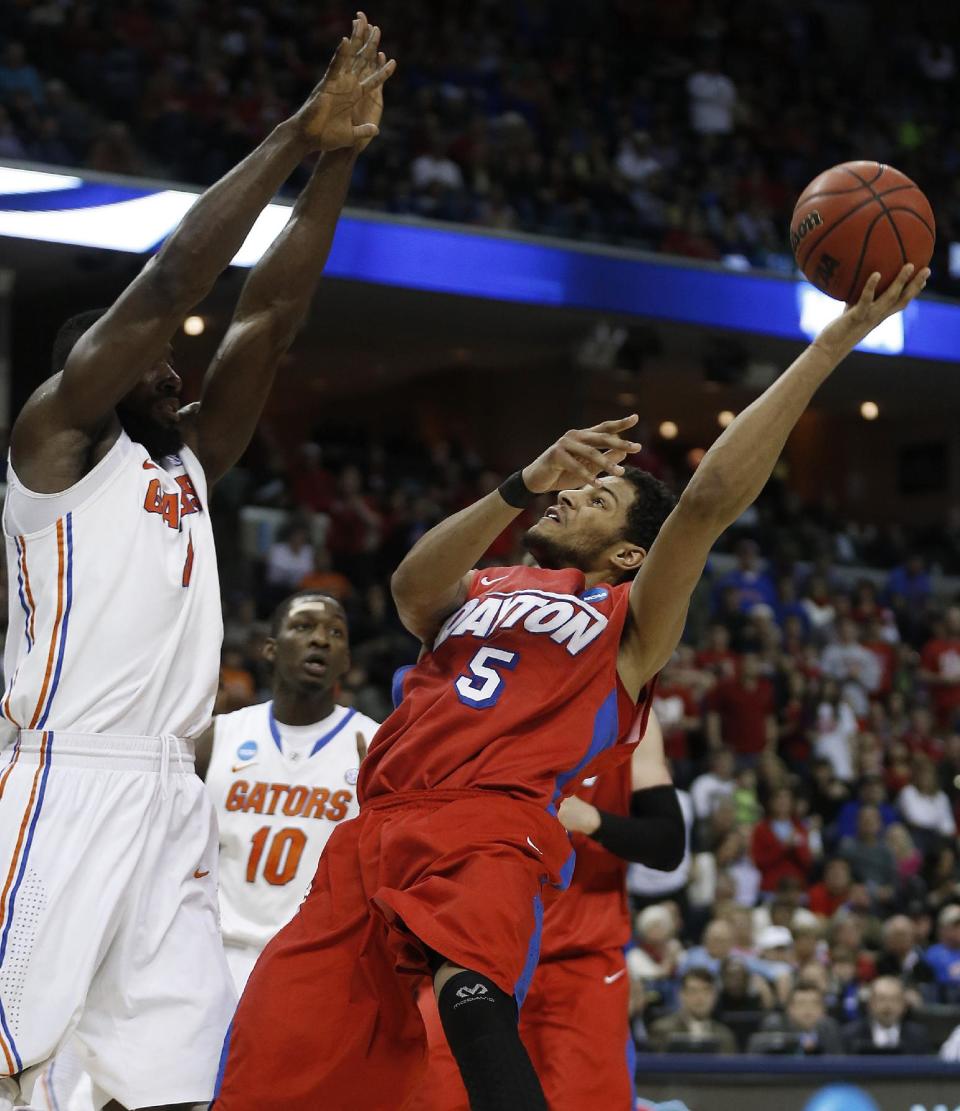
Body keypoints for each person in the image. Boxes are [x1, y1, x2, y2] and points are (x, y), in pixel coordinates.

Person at [213, 264, 927, 1110]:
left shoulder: (629, 620)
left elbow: (704, 504)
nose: (576, 493)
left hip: (490, 821)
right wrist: (523, 484)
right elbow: (411, 588)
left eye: (598, 497)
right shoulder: (485, 582)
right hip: (369, 832)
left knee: (471, 1002)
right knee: (273, 1061)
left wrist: (832, 343)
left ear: (628, 552)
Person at [0, 15, 394, 1111]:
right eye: (153, 364)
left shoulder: (187, 467)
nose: (176, 372)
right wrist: (290, 136)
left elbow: (269, 316)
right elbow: (173, 283)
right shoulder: (56, 443)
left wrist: (339, 165)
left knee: (173, 1083)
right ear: (97, 366)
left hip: (173, 797)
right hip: (57, 779)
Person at [411, 712, 687, 1111]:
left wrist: (589, 819)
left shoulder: (630, 718)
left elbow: (668, 844)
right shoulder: (478, 697)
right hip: (479, 953)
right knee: (432, 1096)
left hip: (579, 961)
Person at [197, 591, 380, 992]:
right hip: (212, 955)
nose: (321, 639)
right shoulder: (218, 737)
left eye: (336, 632)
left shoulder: (375, 746)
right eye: (303, 627)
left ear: (346, 661)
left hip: (314, 960)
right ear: (270, 649)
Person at [647, 969, 738, 1054]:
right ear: (682, 995)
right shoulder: (662, 1031)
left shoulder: (725, 1035)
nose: (700, 998)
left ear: (715, 996)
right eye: (693, 991)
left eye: (706, 991)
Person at [841, 976, 931, 1054]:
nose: (888, 1006)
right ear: (870, 1003)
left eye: (894, 1000)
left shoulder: (919, 1036)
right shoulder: (850, 1034)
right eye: (881, 999)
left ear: (904, 1005)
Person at [757, 983, 843, 1054]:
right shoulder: (775, 1028)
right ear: (789, 1009)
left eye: (815, 1003)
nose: (808, 1008)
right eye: (801, 1003)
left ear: (824, 1010)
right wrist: (797, 1040)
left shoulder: (831, 1030)